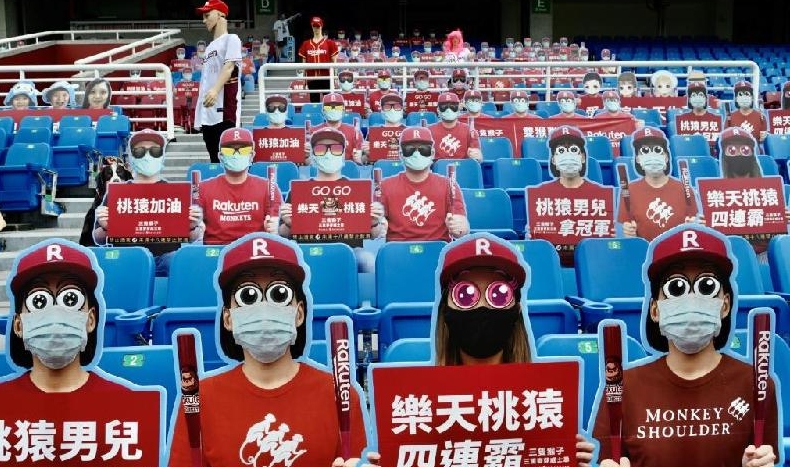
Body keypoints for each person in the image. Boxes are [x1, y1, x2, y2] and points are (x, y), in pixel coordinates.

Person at [167, 232, 376, 467]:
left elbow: (355, 460)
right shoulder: (199, 398)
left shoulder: (341, 394)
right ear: (228, 318)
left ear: (299, 313)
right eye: (248, 296)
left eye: (279, 294)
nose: (264, 309)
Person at [592, 224, 779, 467]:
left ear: (725, 305)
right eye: (676, 288)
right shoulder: (622, 388)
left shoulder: (756, 384)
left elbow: (763, 456)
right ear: (655, 309)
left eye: (706, 286)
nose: (691, 298)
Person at [430, 234, 596, 466]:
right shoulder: (421, 403)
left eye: (498, 295)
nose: (482, 306)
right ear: (445, 309)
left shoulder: (544, 400)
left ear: (517, 308)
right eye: (465, 295)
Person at [1, 239, 162, 436]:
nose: (56, 314)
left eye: (70, 299)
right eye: (39, 301)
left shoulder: (127, 407)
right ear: (18, 325)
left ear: (91, 319)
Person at [93, 129, 204, 276]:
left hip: (166, 258)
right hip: (128, 257)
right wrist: (107, 227)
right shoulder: (118, 193)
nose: (147, 156)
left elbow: (192, 237)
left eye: (155, 151)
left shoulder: (175, 193)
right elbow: (98, 238)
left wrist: (192, 227)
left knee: (179, 261)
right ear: (132, 157)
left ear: (162, 156)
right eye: (139, 151)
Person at [377, 126, 469, 241]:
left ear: (433, 153)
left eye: (424, 149)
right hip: (398, 252)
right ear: (401, 154)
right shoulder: (384, 186)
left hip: (438, 251)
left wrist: (459, 227)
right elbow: (375, 226)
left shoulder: (449, 185)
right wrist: (377, 226)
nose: (416, 154)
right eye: (409, 149)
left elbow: (462, 226)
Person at [197, 127, 281, 245]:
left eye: (244, 150)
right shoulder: (203, 188)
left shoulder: (269, 187)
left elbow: (275, 226)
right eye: (229, 150)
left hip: (255, 253)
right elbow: (194, 230)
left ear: (252, 156)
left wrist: (274, 229)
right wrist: (195, 229)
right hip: (215, 254)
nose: (236, 154)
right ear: (220, 156)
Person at [618, 127, 698, 241]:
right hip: (645, 254)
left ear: (666, 157)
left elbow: (693, 224)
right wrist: (627, 232)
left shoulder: (685, 189)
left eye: (657, 150)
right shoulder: (629, 191)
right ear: (637, 159)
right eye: (645, 151)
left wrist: (696, 225)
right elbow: (624, 230)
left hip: (678, 253)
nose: (652, 156)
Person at [195, 0, 243, 164]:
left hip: (225, 113)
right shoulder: (209, 48)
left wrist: (215, 91)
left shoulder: (232, 39)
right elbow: (205, 81)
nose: (204, 20)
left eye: (207, 15)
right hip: (208, 114)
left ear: (220, 14)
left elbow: (229, 67)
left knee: (229, 162)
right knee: (214, 161)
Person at [312, 93, 366, 164]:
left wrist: (361, 159)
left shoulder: (354, 131)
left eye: (338, 107)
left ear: (343, 110)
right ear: (323, 111)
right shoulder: (313, 132)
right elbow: (308, 160)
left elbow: (362, 158)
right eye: (329, 107)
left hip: (347, 171)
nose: (333, 109)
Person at [428, 92, 482, 161]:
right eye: (444, 107)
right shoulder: (429, 131)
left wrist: (478, 156)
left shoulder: (469, 130)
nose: (448, 110)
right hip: (437, 169)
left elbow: (478, 159)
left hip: (463, 168)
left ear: (459, 109)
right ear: (438, 110)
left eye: (453, 106)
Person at [298, 16, 338, 104]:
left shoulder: (330, 43)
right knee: (314, 103)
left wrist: (334, 79)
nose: (316, 28)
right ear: (311, 27)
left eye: (318, 26)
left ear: (321, 26)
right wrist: (304, 79)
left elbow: (334, 63)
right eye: (314, 26)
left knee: (328, 103)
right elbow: (304, 64)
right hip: (312, 78)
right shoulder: (306, 44)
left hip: (326, 77)